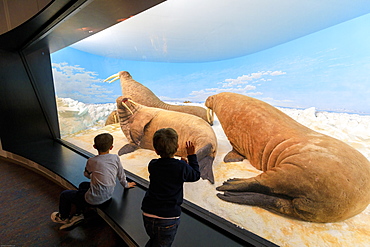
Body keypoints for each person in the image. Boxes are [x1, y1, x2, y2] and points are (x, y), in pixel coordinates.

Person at [51, 133, 136, 230]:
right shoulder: (115, 158)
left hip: (94, 199)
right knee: (83, 185)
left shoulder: (91, 161)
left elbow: (86, 175)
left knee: (65, 195)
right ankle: (79, 213)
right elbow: (121, 174)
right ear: (111, 147)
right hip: (108, 196)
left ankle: (64, 217)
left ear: (94, 146)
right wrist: (126, 185)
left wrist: (93, 175)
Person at [141, 128, 201, 247]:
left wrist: (183, 165)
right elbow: (195, 175)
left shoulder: (152, 164)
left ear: (156, 150)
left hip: (148, 213)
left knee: (154, 238)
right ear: (177, 146)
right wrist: (191, 156)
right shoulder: (181, 167)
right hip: (168, 218)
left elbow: (167, 170)